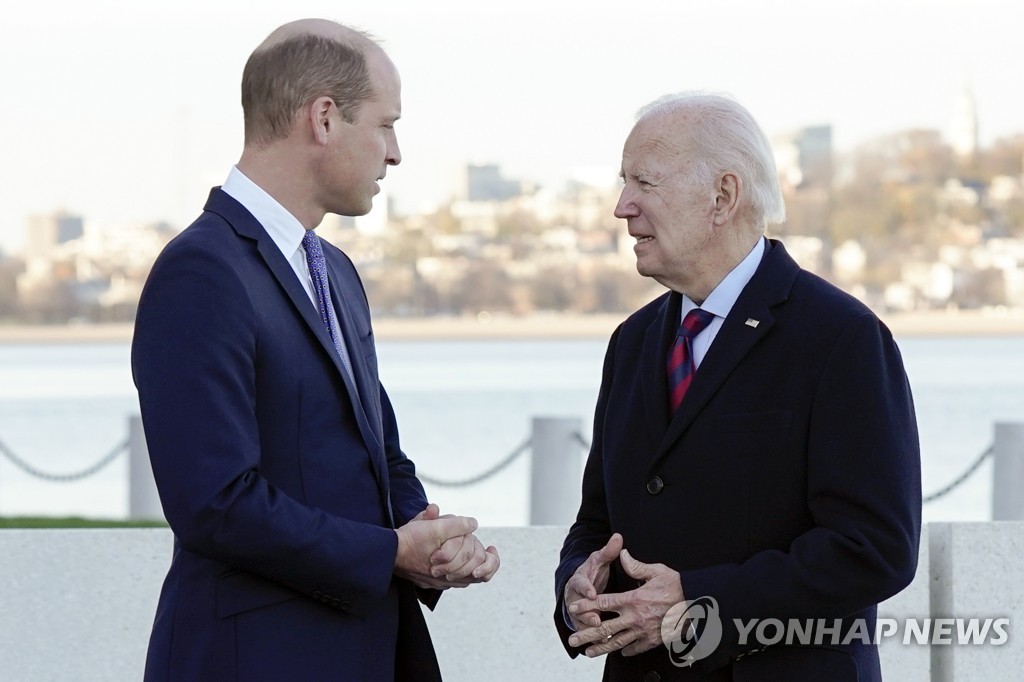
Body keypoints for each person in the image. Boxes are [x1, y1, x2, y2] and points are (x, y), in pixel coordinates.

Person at [132, 18, 498, 682]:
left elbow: (376, 453)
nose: (395, 153)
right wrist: (389, 552)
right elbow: (213, 503)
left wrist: (434, 539)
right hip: (256, 661)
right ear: (324, 118)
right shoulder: (201, 273)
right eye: (385, 124)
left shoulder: (334, 271)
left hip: (365, 652)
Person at [554, 92, 921, 681]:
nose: (622, 207)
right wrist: (577, 586)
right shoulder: (633, 342)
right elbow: (597, 524)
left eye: (644, 183)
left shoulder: (840, 338)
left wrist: (700, 600)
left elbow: (875, 550)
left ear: (722, 197)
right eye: (624, 183)